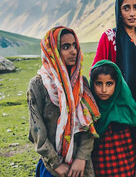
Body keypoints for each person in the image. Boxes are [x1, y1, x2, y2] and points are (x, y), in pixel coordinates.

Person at [27, 26, 100, 177]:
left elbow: (89, 124)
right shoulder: (38, 85)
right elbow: (37, 130)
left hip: (81, 167)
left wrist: (81, 158)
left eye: (74, 45)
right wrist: (57, 164)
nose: (73, 51)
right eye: (66, 47)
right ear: (51, 51)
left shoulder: (81, 83)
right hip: (53, 168)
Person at [90, 60, 136, 177]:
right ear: (92, 83)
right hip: (100, 170)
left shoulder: (128, 107)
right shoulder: (90, 110)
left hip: (126, 169)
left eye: (109, 84)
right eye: (99, 83)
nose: (104, 89)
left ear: (117, 84)